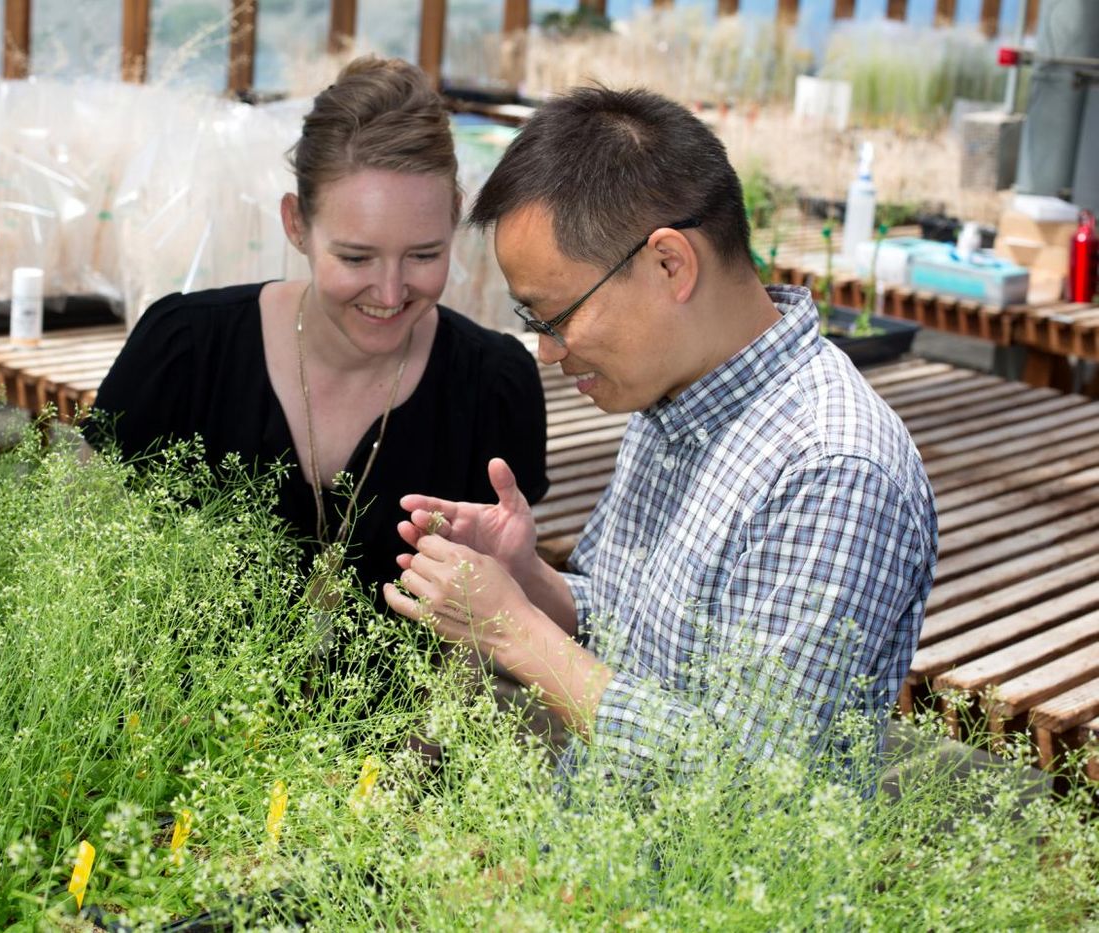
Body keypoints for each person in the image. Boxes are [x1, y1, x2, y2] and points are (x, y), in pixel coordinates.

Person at [384, 87, 938, 782]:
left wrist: (511, 631)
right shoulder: (674, 396)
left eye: (555, 316)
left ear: (670, 264)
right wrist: (530, 580)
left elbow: (750, 787)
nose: (549, 352)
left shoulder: (833, 470)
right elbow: (642, 632)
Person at [84, 57, 548, 604]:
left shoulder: (494, 385)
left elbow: (485, 635)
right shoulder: (184, 349)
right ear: (296, 224)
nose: (391, 291)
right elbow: (79, 559)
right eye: (356, 258)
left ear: (454, 219)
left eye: (424, 254)